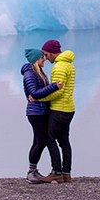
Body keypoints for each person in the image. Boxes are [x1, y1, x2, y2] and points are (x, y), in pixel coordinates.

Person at [32, 39, 76, 183]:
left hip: (58, 109)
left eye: (45, 54)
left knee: (50, 138)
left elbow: (58, 91)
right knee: (64, 141)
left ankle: (56, 171)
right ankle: (66, 173)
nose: (45, 57)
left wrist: (40, 99)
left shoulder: (59, 67)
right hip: (69, 108)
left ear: (51, 53)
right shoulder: (69, 64)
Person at [21, 48, 63, 184]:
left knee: (38, 141)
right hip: (35, 113)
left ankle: (33, 171)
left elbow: (37, 93)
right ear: (36, 60)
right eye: (42, 57)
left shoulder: (38, 73)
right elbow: (35, 93)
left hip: (41, 111)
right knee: (41, 141)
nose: (44, 59)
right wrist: (54, 87)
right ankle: (31, 172)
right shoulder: (30, 74)